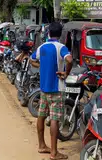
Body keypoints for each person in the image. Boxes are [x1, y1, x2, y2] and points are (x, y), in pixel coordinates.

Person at [31, 22, 73, 160]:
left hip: (43, 88)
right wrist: (65, 73)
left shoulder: (42, 47)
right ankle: (54, 152)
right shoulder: (61, 47)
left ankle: (42, 145)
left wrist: (42, 65)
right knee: (54, 119)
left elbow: (32, 60)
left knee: (41, 116)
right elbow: (69, 60)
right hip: (56, 89)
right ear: (60, 34)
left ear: (48, 33)